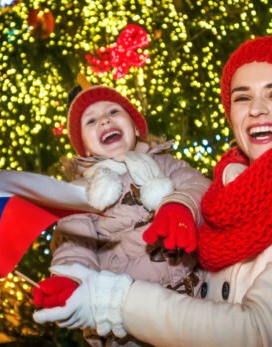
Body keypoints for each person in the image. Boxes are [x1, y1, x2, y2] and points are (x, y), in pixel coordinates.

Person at [33, 36, 272, 347]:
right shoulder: (228, 190)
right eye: (242, 97)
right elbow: (74, 242)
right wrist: (71, 278)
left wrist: (111, 301)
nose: (256, 109)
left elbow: (260, 335)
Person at [32, 74, 211, 346]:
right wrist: (71, 278)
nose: (104, 120)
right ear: (85, 147)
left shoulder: (165, 163)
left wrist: (181, 205)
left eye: (113, 111)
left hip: (195, 299)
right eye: (90, 121)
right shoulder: (82, 193)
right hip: (132, 325)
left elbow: (198, 185)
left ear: (136, 126)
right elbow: (74, 243)